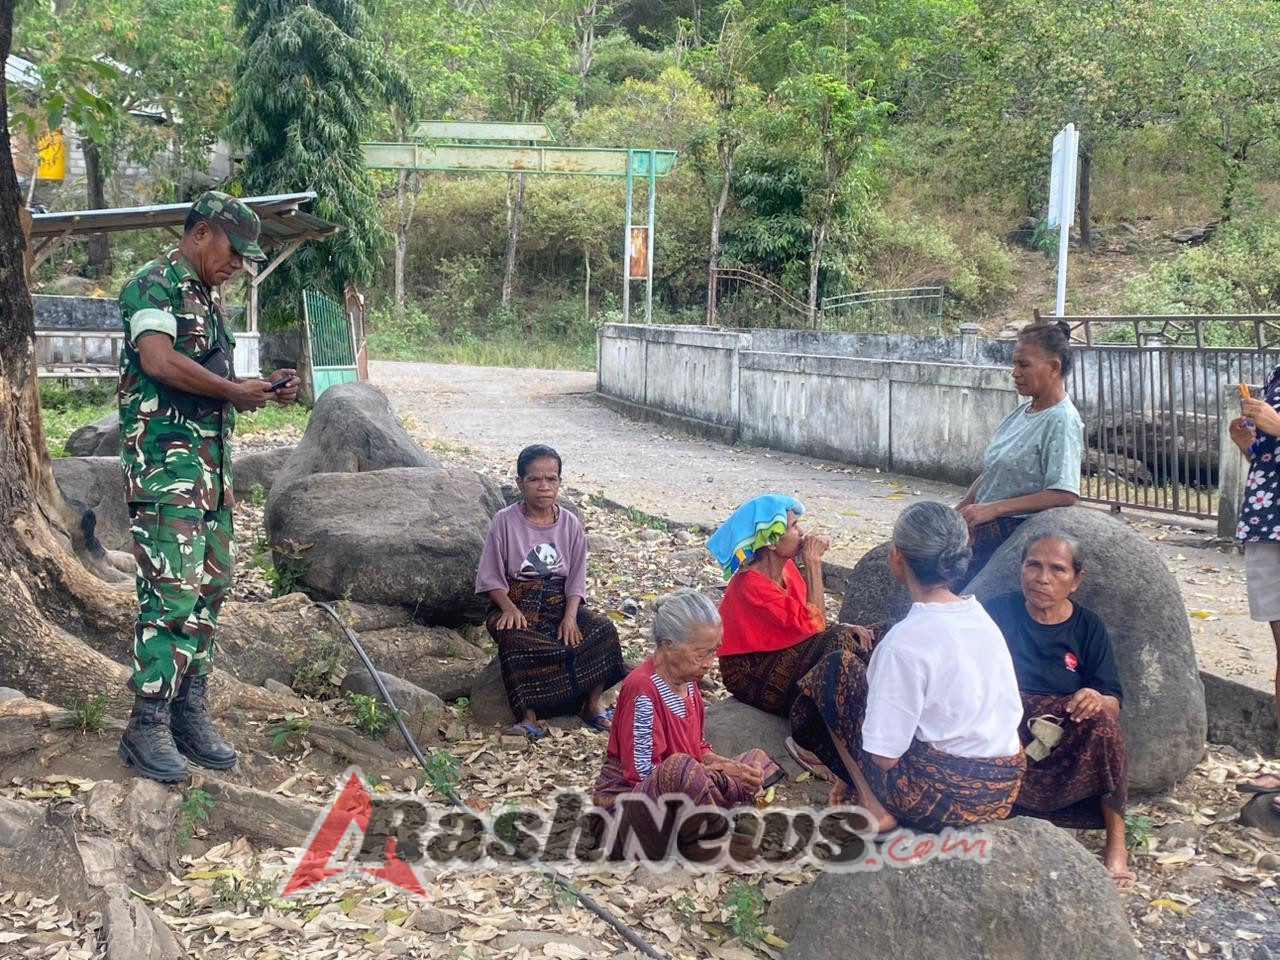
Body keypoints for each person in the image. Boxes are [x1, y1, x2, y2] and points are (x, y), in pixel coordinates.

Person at [116, 191, 300, 783]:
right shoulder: (154, 285)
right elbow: (159, 363)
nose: (239, 264)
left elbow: (208, 379)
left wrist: (259, 388)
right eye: (234, 250)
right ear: (200, 234)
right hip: (166, 477)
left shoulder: (206, 299)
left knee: (209, 592)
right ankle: (145, 724)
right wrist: (233, 392)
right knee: (169, 595)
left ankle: (185, 710)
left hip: (210, 478)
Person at [790, 501, 1025, 833]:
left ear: (896, 555)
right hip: (1002, 788)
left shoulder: (904, 643)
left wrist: (858, 770)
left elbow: (884, 758)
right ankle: (866, 791)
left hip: (951, 799)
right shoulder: (980, 617)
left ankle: (875, 806)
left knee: (835, 671)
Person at [983, 533, 1133, 889]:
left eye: (1057, 569)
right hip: (1006, 727)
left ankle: (1117, 845)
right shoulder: (994, 613)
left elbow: (1113, 698)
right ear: (1020, 569)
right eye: (1033, 564)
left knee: (1103, 727)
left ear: (1076, 580)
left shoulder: (1088, 626)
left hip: (1062, 735)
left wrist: (1094, 697)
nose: (1042, 577)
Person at [593, 589, 780, 857]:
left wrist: (730, 767)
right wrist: (722, 776)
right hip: (629, 813)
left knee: (755, 760)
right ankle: (706, 844)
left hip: (684, 792)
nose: (709, 663)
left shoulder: (688, 684)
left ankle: (706, 823)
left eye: (713, 652)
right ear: (668, 646)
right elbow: (644, 773)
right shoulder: (642, 690)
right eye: (700, 654)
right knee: (680, 771)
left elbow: (698, 747)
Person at [708, 494, 874, 780]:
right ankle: (807, 739)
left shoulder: (785, 571)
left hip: (785, 653)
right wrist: (813, 563)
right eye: (794, 527)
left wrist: (844, 626)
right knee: (837, 645)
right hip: (750, 670)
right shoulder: (751, 584)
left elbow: (806, 620)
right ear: (771, 541)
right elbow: (816, 628)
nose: (802, 534)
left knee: (871, 636)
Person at [476, 444, 625, 738]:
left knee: (603, 629)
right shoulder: (504, 521)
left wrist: (570, 618)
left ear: (559, 481)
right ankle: (529, 716)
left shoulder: (569, 523)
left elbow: (576, 580)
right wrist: (509, 609)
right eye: (534, 479)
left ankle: (592, 705)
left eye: (551, 479)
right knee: (513, 636)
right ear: (520, 483)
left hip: (559, 601)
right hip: (515, 599)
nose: (543, 486)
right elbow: (490, 577)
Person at [957, 321, 1083, 582]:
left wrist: (993, 509)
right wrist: (963, 507)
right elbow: (994, 471)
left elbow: (1064, 493)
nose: (1015, 373)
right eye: (1014, 364)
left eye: (1023, 365)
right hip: (983, 518)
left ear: (1053, 367)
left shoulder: (1061, 420)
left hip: (1013, 528)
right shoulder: (1022, 413)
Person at [1229, 370, 1280, 812]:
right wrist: (1247, 441)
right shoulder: (1277, 373)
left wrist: (1276, 423)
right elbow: (1270, 459)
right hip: (1268, 523)